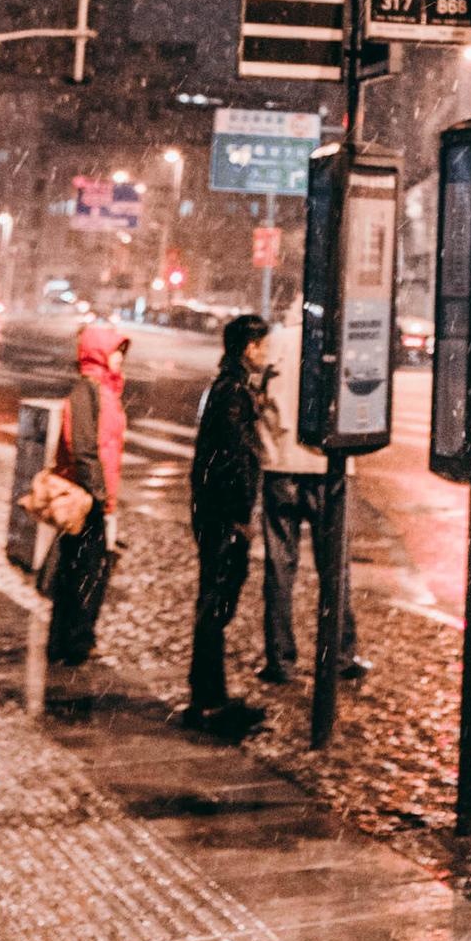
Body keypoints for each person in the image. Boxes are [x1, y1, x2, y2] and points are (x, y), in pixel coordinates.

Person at [256, 320, 366, 686]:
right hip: (328, 466)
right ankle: (339, 655)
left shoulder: (276, 342)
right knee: (334, 567)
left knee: (279, 568)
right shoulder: (340, 339)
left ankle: (280, 659)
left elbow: (258, 395)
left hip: (280, 464)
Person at [187, 312, 271, 736]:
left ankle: (208, 692)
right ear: (249, 348)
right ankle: (208, 700)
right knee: (217, 602)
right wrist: (239, 518)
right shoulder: (232, 392)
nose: (266, 353)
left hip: (213, 511)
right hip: (222, 515)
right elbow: (234, 459)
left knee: (215, 601)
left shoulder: (228, 387)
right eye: (263, 346)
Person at [46, 322, 128, 665]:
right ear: (98, 353)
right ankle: (75, 642)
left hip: (94, 493)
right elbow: (82, 446)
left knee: (80, 569)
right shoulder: (87, 390)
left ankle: (67, 641)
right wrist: (99, 495)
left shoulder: (105, 390)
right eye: (115, 352)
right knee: (85, 572)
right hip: (87, 497)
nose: (120, 358)